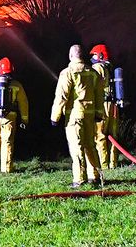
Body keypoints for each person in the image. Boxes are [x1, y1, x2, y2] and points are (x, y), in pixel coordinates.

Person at [51, 44, 105, 188]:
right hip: (90, 116)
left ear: (70, 56)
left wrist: (55, 117)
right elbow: (100, 95)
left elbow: (61, 96)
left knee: (77, 147)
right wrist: (99, 114)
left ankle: (79, 179)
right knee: (91, 146)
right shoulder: (93, 73)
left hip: (74, 116)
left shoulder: (67, 73)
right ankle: (96, 176)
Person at [88, 44, 119, 170]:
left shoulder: (97, 67)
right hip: (114, 104)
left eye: (95, 54)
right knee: (113, 135)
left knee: (100, 134)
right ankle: (113, 163)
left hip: (103, 104)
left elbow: (94, 86)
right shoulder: (109, 67)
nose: (93, 57)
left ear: (100, 55)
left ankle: (103, 164)